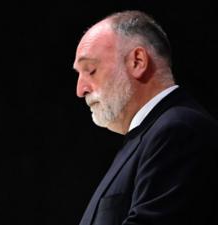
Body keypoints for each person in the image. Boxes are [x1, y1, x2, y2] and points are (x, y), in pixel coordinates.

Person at [73, 10, 218, 225]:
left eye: (91, 70)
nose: (80, 89)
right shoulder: (149, 136)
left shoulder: (178, 131)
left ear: (138, 61)